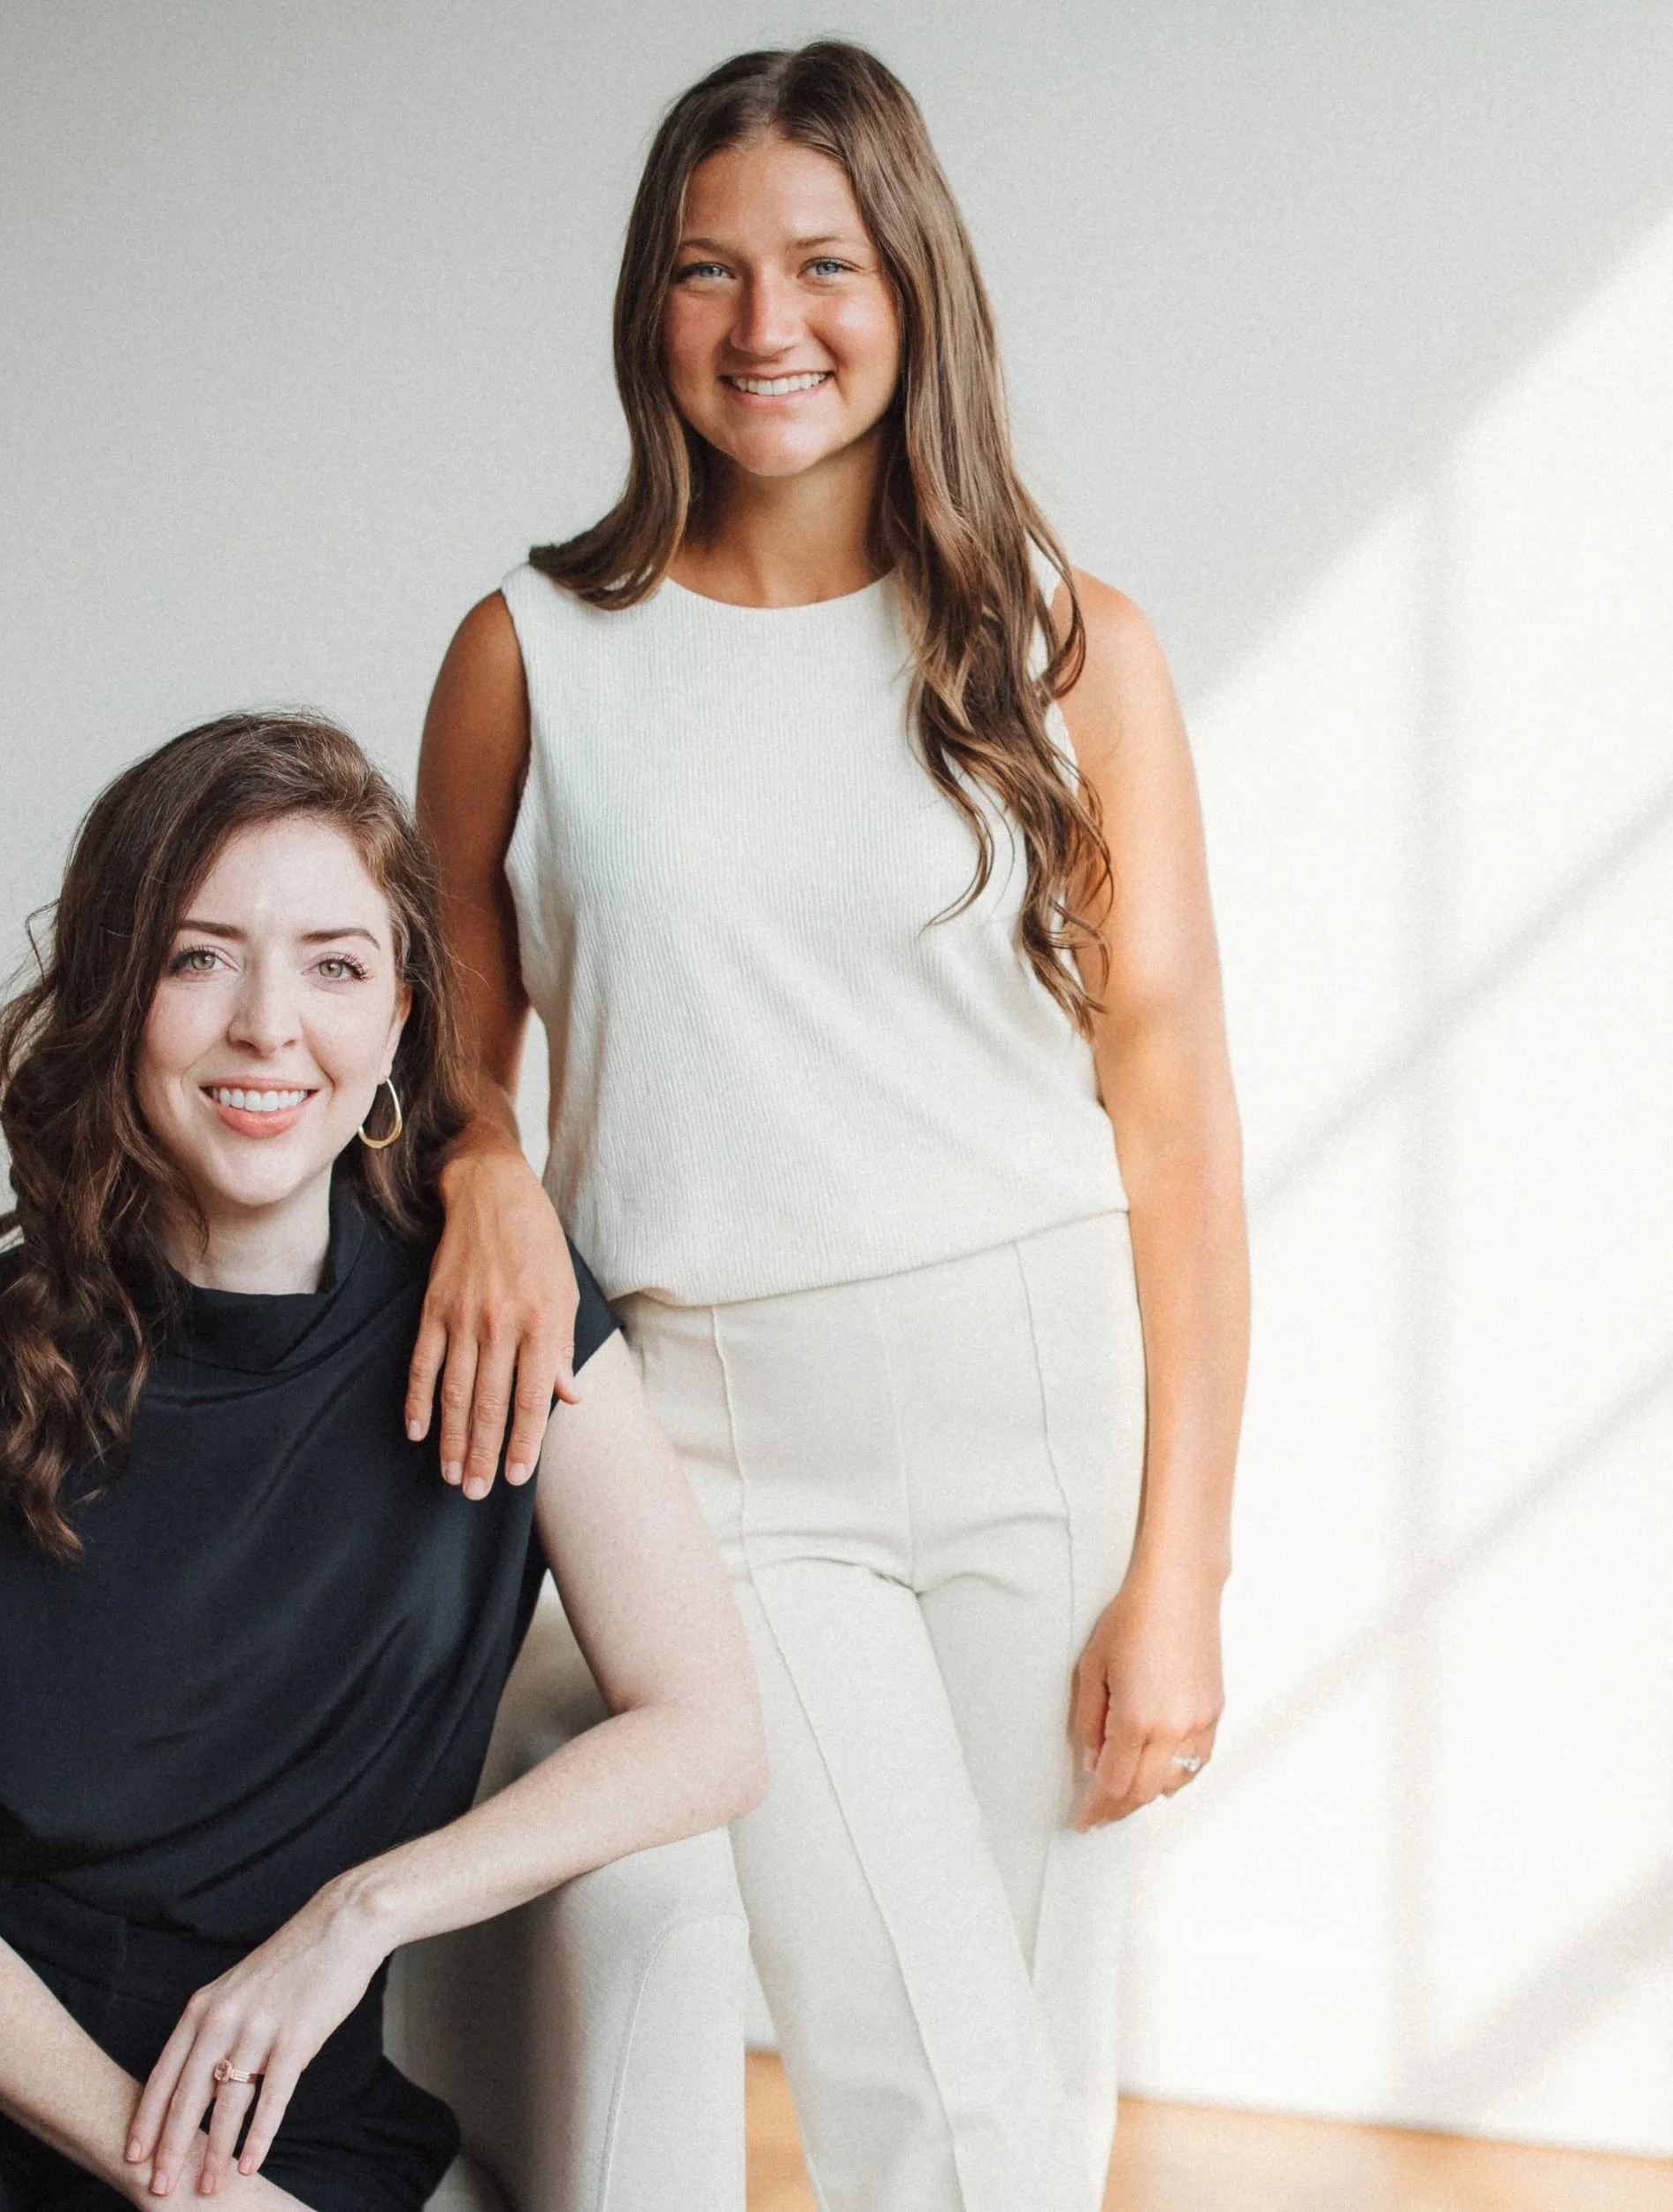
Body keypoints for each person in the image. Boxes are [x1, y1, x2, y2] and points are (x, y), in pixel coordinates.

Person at [410, 41, 1247, 2212]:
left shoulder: (1075, 651)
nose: (763, 326)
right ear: (643, 306)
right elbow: (443, 1046)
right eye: (705, 270)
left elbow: (1173, 1136)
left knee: (1027, 2079)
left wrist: (1182, 1564)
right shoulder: (531, 655)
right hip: (709, 1435)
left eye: (820, 263)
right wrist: (485, 1157)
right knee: (920, 2089)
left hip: (1042, 1403)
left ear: (913, 286)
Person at [0, 712, 764, 2212]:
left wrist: (361, 1912)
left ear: (397, 1021)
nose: (268, 1025)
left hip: (278, 2101)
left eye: (334, 963)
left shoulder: (511, 1319)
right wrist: (172, 2174)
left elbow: (709, 1727)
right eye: (199, 958)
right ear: (118, 1001)